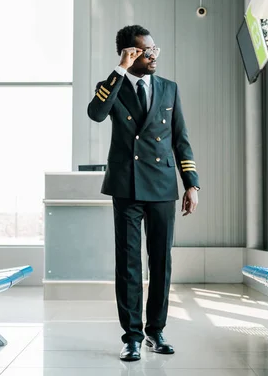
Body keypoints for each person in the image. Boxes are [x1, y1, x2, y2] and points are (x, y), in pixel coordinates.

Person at [87, 25, 200, 361]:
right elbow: (96, 113)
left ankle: (156, 332)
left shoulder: (169, 88)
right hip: (127, 186)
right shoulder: (113, 85)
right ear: (128, 53)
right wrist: (120, 68)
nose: (152, 55)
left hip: (163, 185)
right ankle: (132, 337)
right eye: (143, 51)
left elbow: (181, 138)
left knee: (160, 262)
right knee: (129, 264)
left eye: (154, 49)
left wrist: (191, 183)